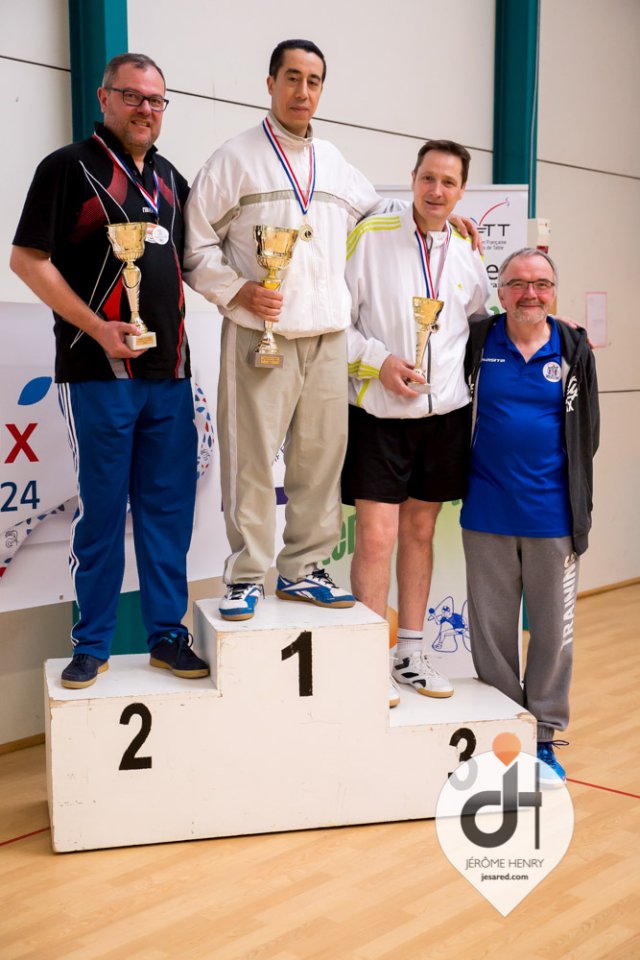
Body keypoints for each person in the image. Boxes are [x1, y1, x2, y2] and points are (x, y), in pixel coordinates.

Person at [10, 53, 209, 689]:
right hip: (98, 374)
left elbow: (204, 257)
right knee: (100, 512)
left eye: (155, 100)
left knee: (168, 513)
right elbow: (27, 260)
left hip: (170, 375)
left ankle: (167, 637)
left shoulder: (172, 179)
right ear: (104, 98)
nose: (145, 109)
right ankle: (91, 643)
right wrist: (97, 328)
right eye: (132, 96)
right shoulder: (68, 167)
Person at [342, 140, 491, 707]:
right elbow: (337, 323)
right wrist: (378, 362)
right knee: (376, 537)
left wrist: (550, 326)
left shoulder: (466, 251)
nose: (436, 190)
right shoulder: (371, 236)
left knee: (420, 534)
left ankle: (409, 652)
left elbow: (479, 324)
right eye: (429, 178)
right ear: (412, 179)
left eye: (448, 182)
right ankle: (367, 662)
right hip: (379, 416)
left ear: (461, 191)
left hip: (443, 418)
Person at [461, 248, 599, 785]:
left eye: (541, 284)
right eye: (518, 283)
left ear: (554, 293)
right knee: (492, 637)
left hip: (553, 518)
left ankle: (542, 738)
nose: (530, 294)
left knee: (552, 635)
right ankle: (504, 732)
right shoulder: (477, 340)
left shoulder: (572, 347)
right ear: (501, 292)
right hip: (486, 513)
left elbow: (588, 432)